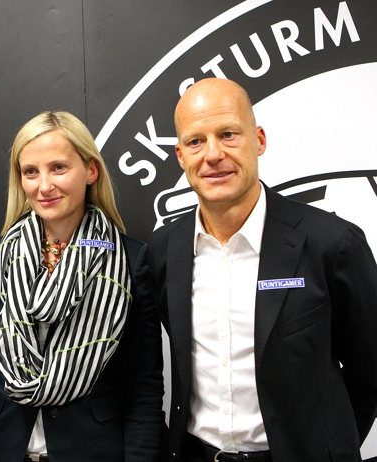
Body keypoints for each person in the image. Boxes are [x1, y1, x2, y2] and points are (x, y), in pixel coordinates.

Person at [148, 77, 377, 461]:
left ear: (259, 140)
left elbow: (369, 372)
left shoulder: (332, 244)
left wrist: (328, 447)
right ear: (181, 156)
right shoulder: (163, 250)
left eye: (228, 134)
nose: (213, 154)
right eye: (195, 141)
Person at [0, 111, 164, 461]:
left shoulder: (130, 260)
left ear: (91, 171)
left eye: (58, 168)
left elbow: (144, 387)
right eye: (30, 172)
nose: (44, 186)